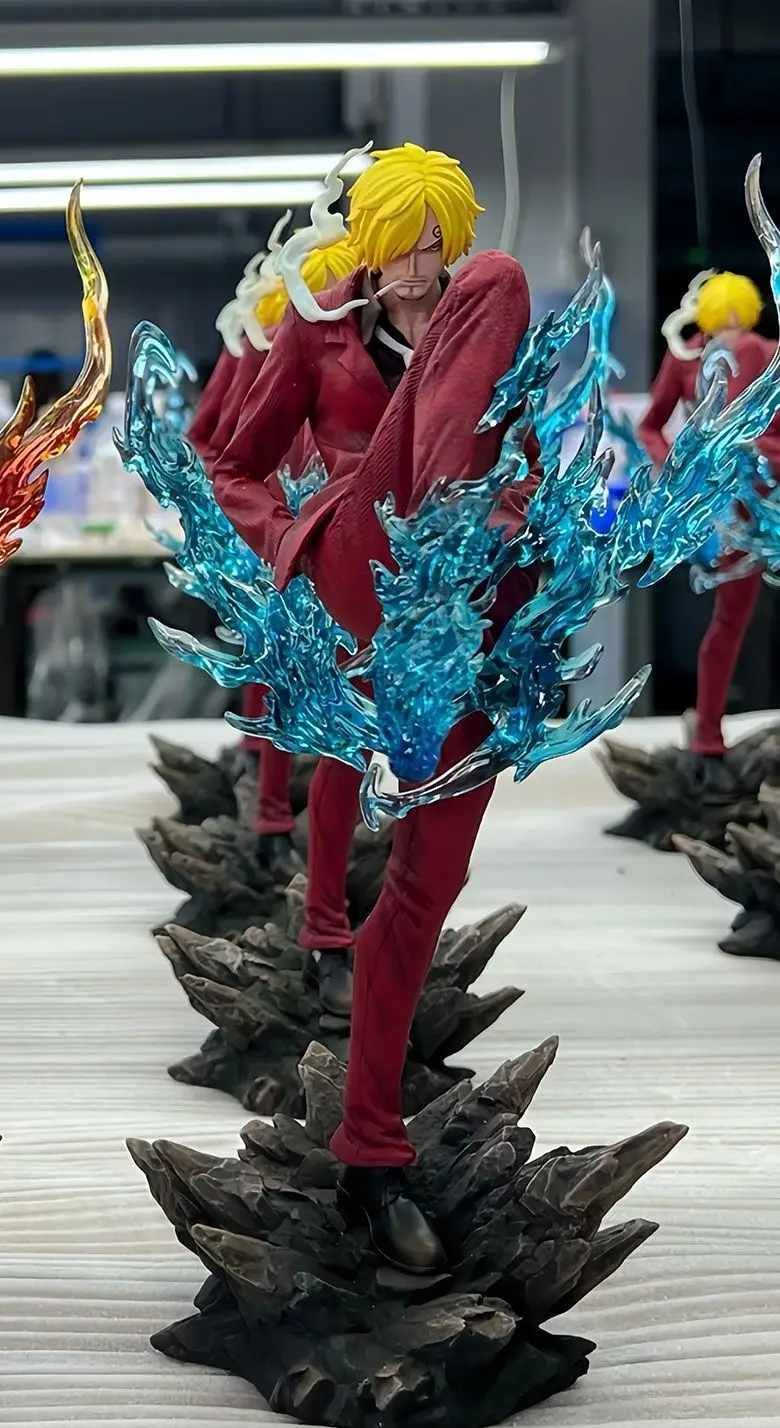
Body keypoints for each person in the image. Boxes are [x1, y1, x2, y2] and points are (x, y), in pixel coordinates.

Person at [215, 144, 536, 1274]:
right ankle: (316, 923)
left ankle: (370, 1145)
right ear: (366, 245)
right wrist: (292, 547)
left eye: (433, 244)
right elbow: (229, 463)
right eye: (399, 245)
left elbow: (531, 461)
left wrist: (520, 531)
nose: (417, 267)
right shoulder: (322, 331)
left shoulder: (490, 339)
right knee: (506, 280)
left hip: (460, 608)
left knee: (427, 881)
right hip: (361, 555)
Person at [203, 238, 361, 876]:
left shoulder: (384, 341)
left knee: (350, 685)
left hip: (356, 535)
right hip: (287, 536)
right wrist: (265, 524)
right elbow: (221, 446)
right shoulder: (278, 339)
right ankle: (271, 819)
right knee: (281, 665)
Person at [637, 270, 778, 760]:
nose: (733, 330)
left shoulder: (767, 355)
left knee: (730, 620)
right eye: (725, 320)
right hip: (725, 512)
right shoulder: (686, 356)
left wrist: (759, 453)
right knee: (728, 619)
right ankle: (707, 734)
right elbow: (650, 426)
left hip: (767, 495)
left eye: (740, 320)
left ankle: (708, 732)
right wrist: (680, 471)